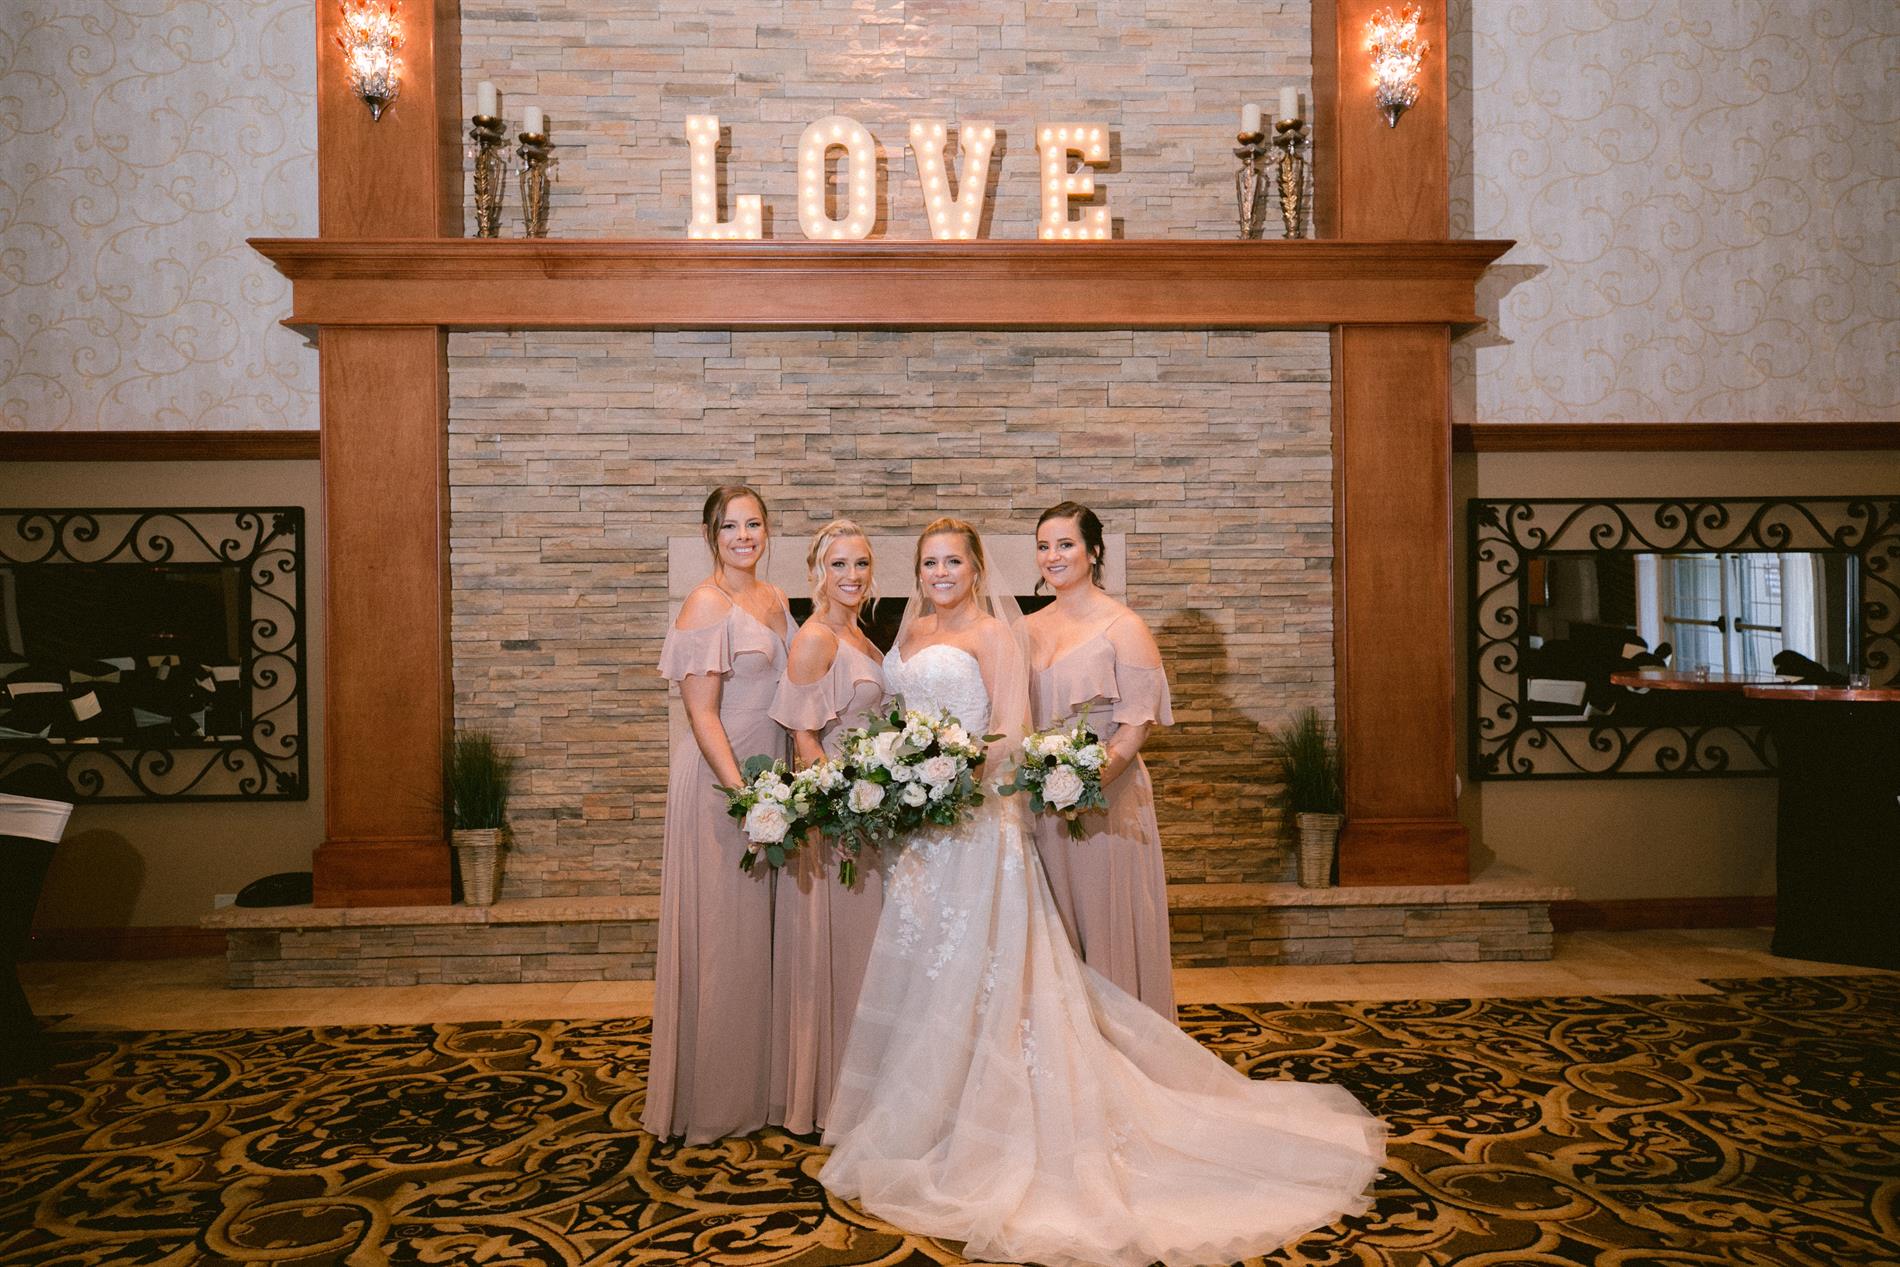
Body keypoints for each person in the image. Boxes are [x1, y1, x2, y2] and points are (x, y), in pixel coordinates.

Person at [818, 517, 1385, 1267]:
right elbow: (898, 717)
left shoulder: (996, 634)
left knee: (989, 973)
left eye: (953, 560)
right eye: (929, 562)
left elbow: (1009, 729)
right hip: (919, 835)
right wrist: (898, 778)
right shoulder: (912, 631)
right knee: (927, 971)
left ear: (978, 568)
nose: (941, 572)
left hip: (973, 822)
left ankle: (999, 1122)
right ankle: (929, 1115)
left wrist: (949, 785)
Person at [643, 485, 791, 1144]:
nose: (743, 536)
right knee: (724, 937)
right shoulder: (706, 603)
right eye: (730, 526)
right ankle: (715, 1100)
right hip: (721, 782)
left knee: (760, 936)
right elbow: (701, 713)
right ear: (711, 536)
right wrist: (746, 798)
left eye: (753, 524)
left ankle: (761, 1086)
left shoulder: (774, 597)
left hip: (772, 774)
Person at [1024, 501, 1176, 1018]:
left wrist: (1083, 786)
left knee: (1104, 923)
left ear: (1093, 552)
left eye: (1065, 544)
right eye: (1044, 546)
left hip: (1106, 801)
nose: (1053, 556)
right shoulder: (1026, 628)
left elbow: (1136, 727)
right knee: (1051, 934)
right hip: (1039, 804)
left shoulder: (1124, 626)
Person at [767, 520, 888, 1134]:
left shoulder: (859, 635)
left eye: (861, 563)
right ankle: (831, 1098)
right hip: (841, 818)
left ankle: (866, 1089)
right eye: (839, 564)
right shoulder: (815, 637)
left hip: (874, 810)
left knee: (868, 956)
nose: (852, 575)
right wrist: (847, 807)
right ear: (817, 571)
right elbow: (804, 738)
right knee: (841, 952)